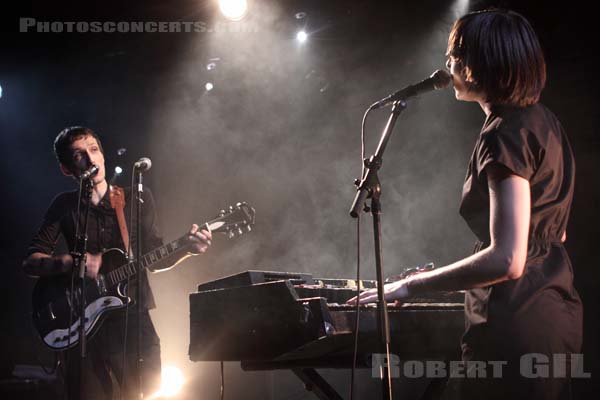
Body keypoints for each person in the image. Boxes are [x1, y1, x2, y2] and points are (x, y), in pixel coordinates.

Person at [349, 9, 583, 399]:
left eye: (457, 54)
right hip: (554, 313)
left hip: (516, 321)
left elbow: (508, 260)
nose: (448, 64)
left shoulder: (504, 136)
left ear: (484, 62)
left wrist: (409, 286)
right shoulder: (545, 123)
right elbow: (554, 231)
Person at [23, 126, 212, 400]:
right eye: (78, 155)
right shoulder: (64, 206)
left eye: (94, 149)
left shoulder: (137, 197)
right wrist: (71, 262)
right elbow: (31, 262)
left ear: (102, 154)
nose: (90, 159)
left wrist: (188, 248)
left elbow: (155, 258)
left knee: (145, 394)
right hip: (82, 328)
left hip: (133, 321)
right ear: (67, 169)